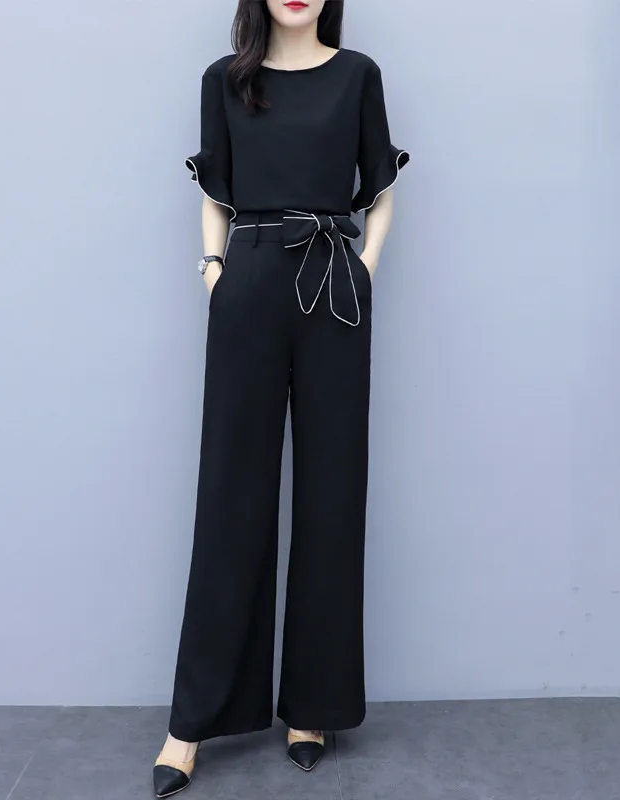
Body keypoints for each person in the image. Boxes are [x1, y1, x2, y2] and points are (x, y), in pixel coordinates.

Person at [153, 0, 408, 795]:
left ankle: (311, 708)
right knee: (232, 494)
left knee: (332, 495)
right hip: (251, 276)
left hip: (335, 284)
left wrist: (365, 267)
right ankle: (191, 723)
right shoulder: (225, 82)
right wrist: (215, 273)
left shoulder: (358, 76)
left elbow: (381, 185)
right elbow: (214, 191)